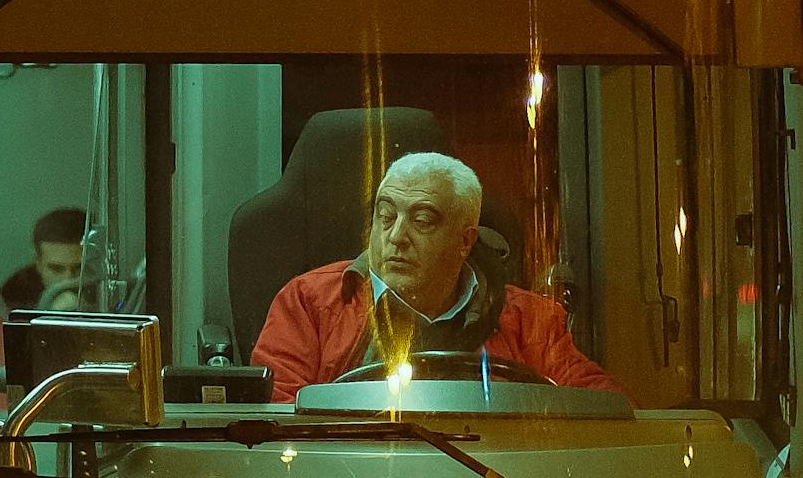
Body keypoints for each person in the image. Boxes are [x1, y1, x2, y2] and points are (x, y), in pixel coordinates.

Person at [251, 150, 617, 401]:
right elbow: (277, 421)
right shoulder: (309, 302)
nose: (396, 237)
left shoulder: (530, 320)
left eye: (422, 220)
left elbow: (604, 411)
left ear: (464, 241)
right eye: (386, 216)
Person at [0, 207, 90, 312]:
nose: (68, 279)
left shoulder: (107, 290)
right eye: (57, 269)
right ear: (38, 264)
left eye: (80, 268)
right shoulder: (15, 294)